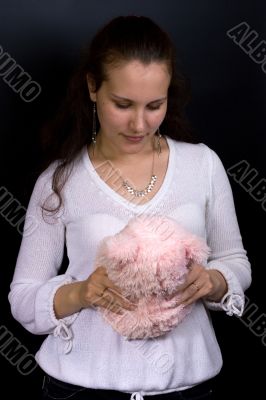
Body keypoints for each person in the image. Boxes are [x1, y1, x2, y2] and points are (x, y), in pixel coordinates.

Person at [8, 15, 251, 400]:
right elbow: (23, 297)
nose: (140, 124)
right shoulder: (58, 182)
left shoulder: (202, 165)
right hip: (80, 388)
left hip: (190, 387)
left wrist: (215, 281)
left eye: (155, 105)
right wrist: (83, 292)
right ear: (92, 87)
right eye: (123, 104)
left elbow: (234, 259)